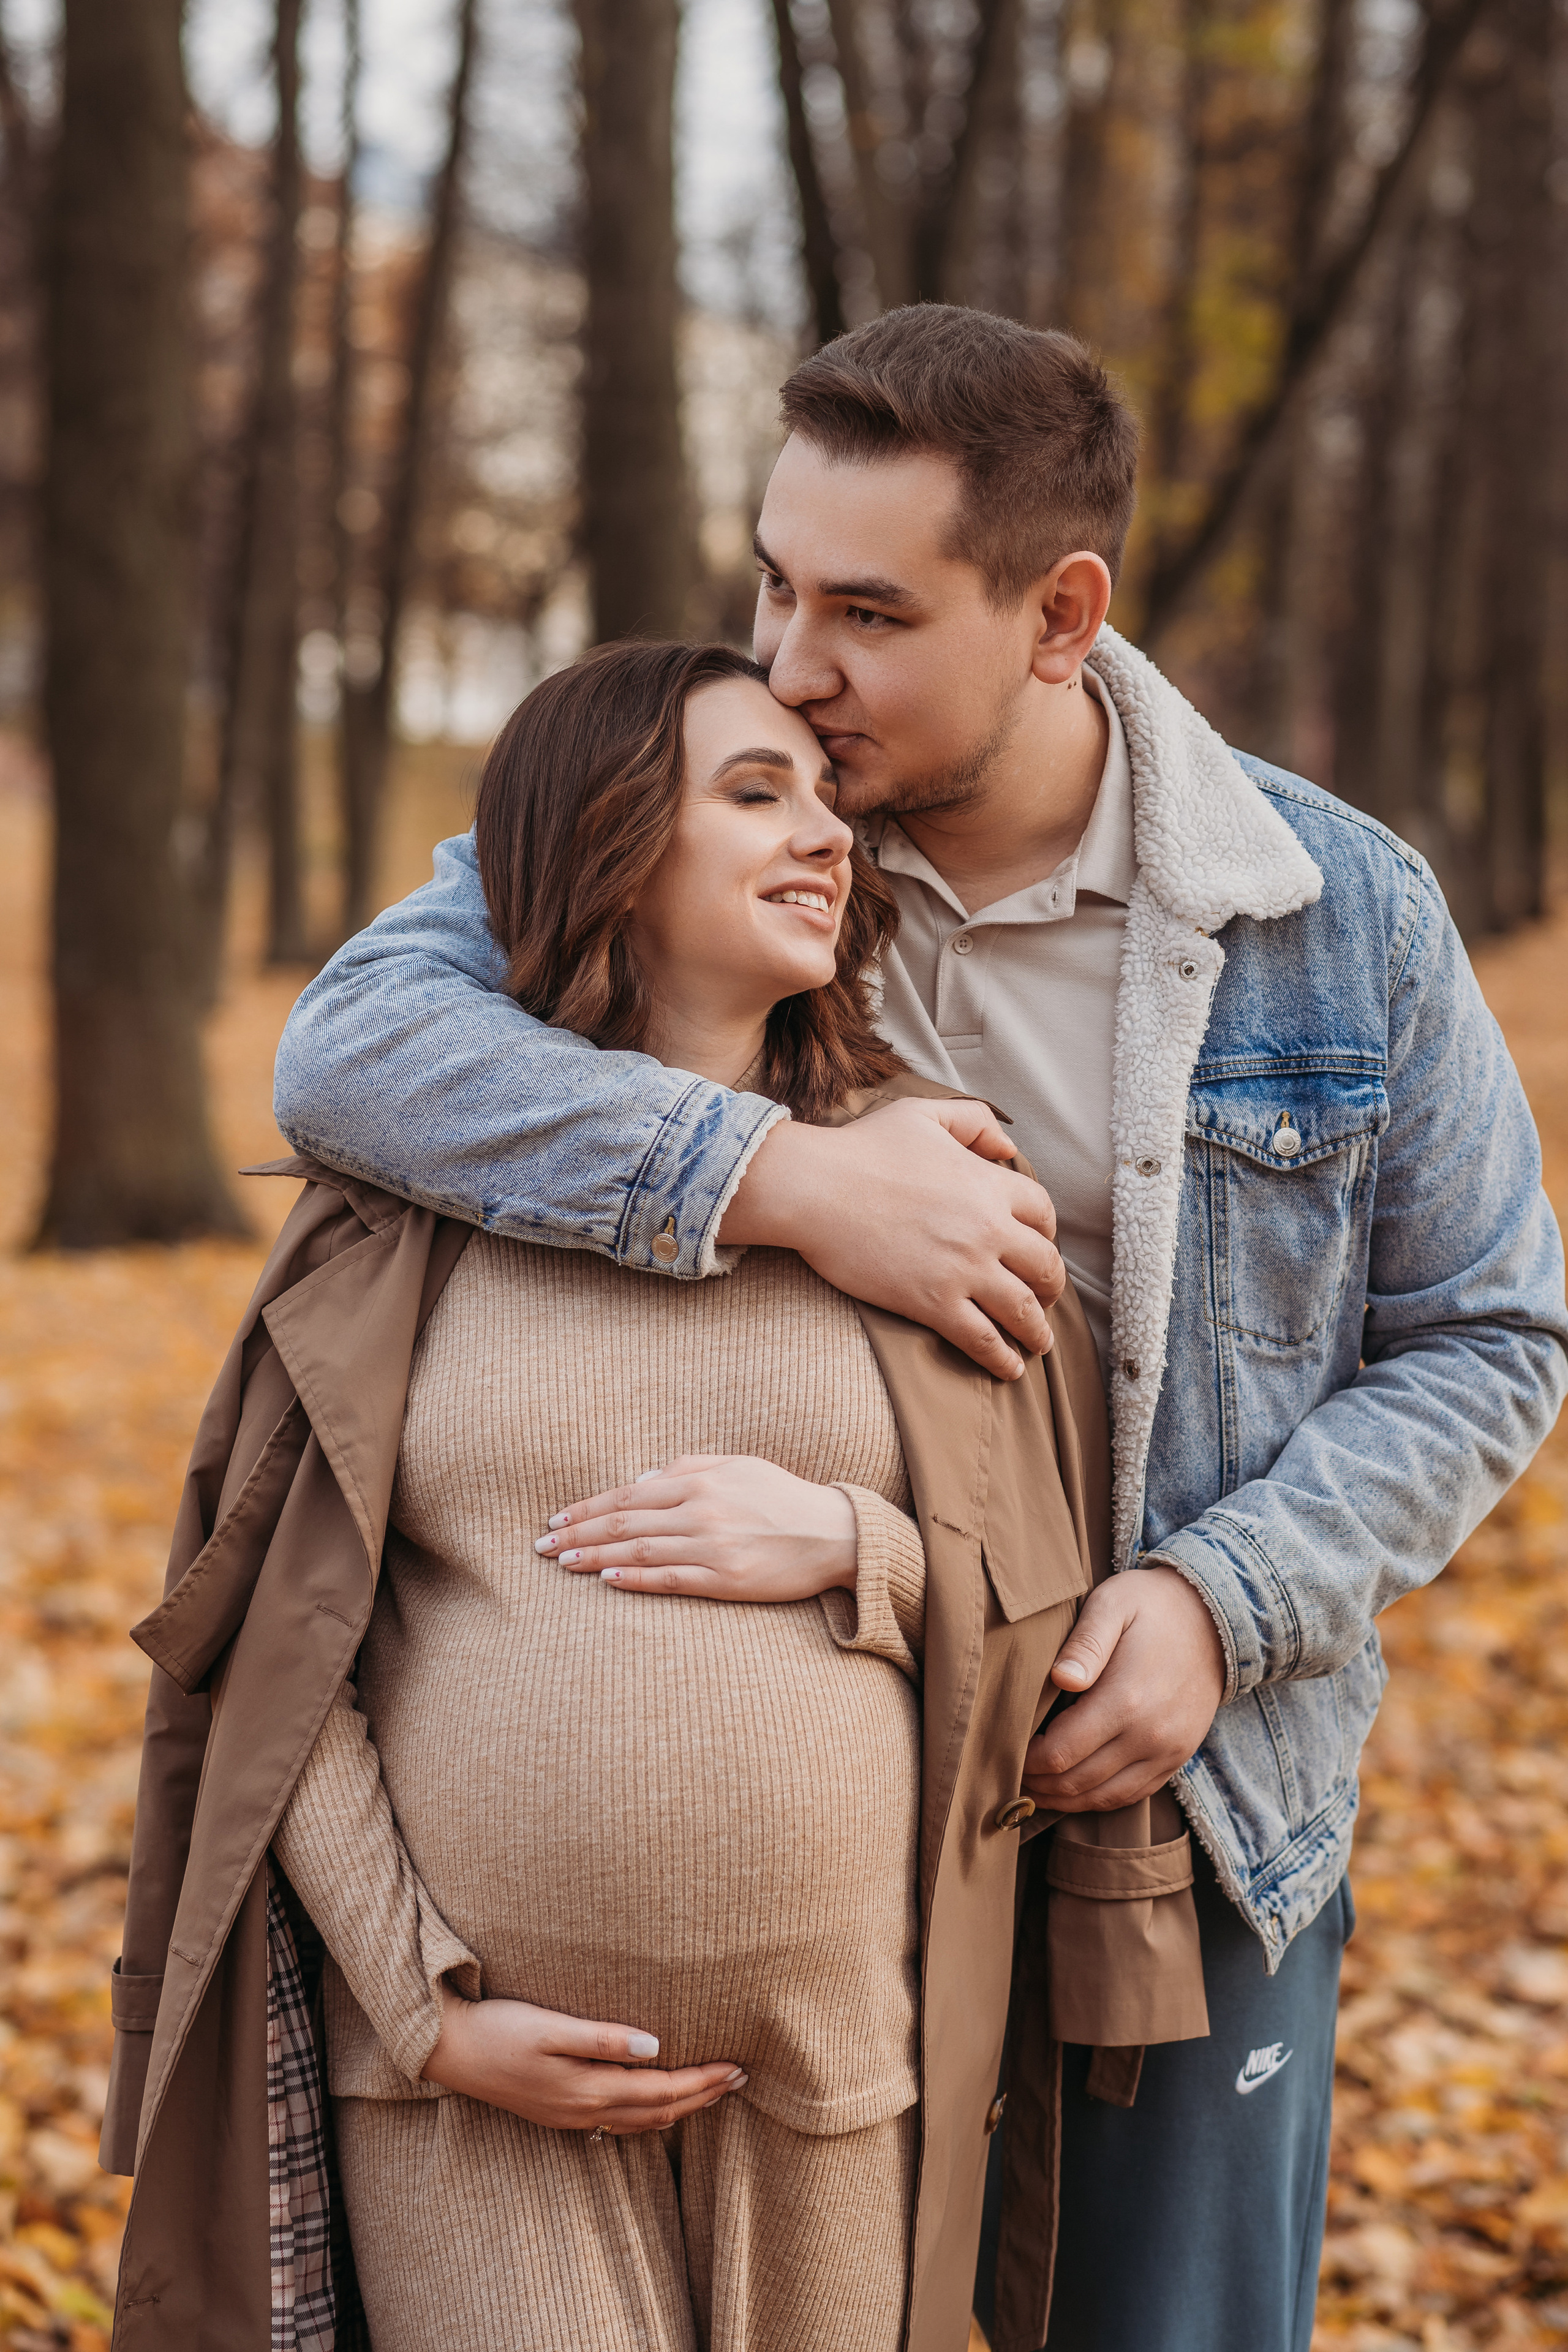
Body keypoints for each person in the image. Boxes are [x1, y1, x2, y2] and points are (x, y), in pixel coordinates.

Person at [272, 309, 1568, 2351]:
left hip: (1168, 1806)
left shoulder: (1337, 911)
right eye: (776, 581)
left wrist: (1224, 1603)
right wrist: (777, 1178)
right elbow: (355, 1047)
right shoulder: (707, 814)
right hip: (837, 1874)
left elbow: (1490, 1334)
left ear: (1062, 615)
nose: (793, 660)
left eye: (869, 612)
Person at [103, 638, 1206, 2352]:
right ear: (610, 840)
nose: (828, 831)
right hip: (478, 2098)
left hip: (844, 2071)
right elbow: (282, 1647)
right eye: (755, 793)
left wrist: (859, 1550)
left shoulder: (934, 1180)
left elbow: (1043, 1612)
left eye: (829, 795)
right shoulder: (408, 1209)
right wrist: (420, 2009)